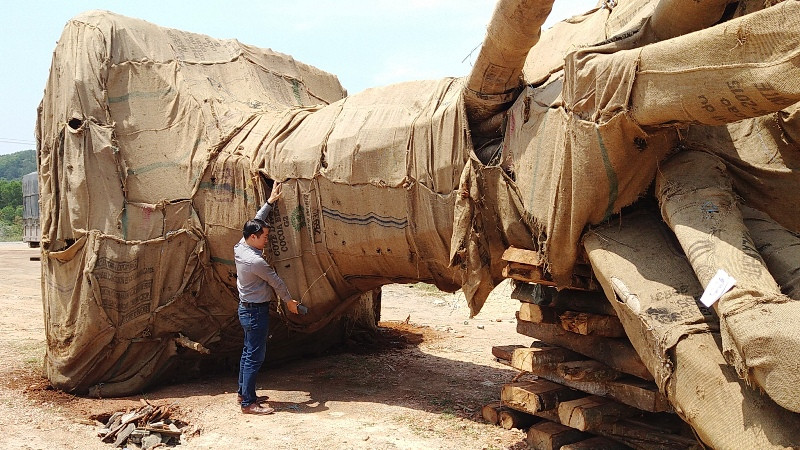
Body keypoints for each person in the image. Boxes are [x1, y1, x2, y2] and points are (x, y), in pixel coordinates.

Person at [234, 183, 302, 415]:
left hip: (247, 309)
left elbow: (255, 220)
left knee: (247, 352)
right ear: (253, 237)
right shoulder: (256, 261)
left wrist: (270, 202)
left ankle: (244, 393)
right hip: (255, 312)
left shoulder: (241, 245)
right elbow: (276, 282)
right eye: (264, 237)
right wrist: (290, 302)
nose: (266, 240)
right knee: (255, 356)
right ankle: (248, 404)